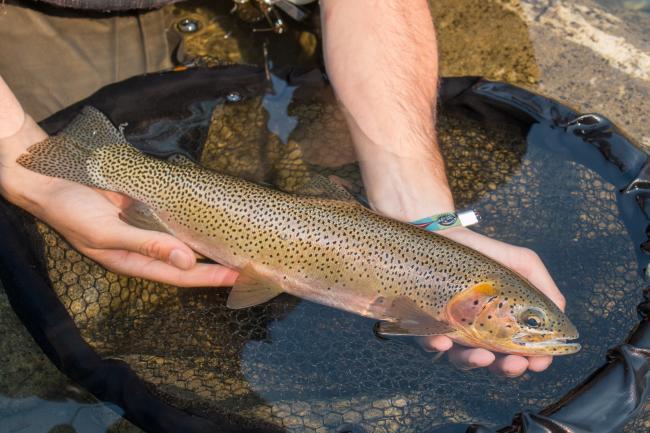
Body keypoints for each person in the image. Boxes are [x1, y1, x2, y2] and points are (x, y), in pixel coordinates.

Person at [0, 0, 565, 377]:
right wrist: (17, 161)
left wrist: (419, 201)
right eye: (532, 323)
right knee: (42, 130)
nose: (535, 333)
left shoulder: (449, 302)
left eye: (530, 324)